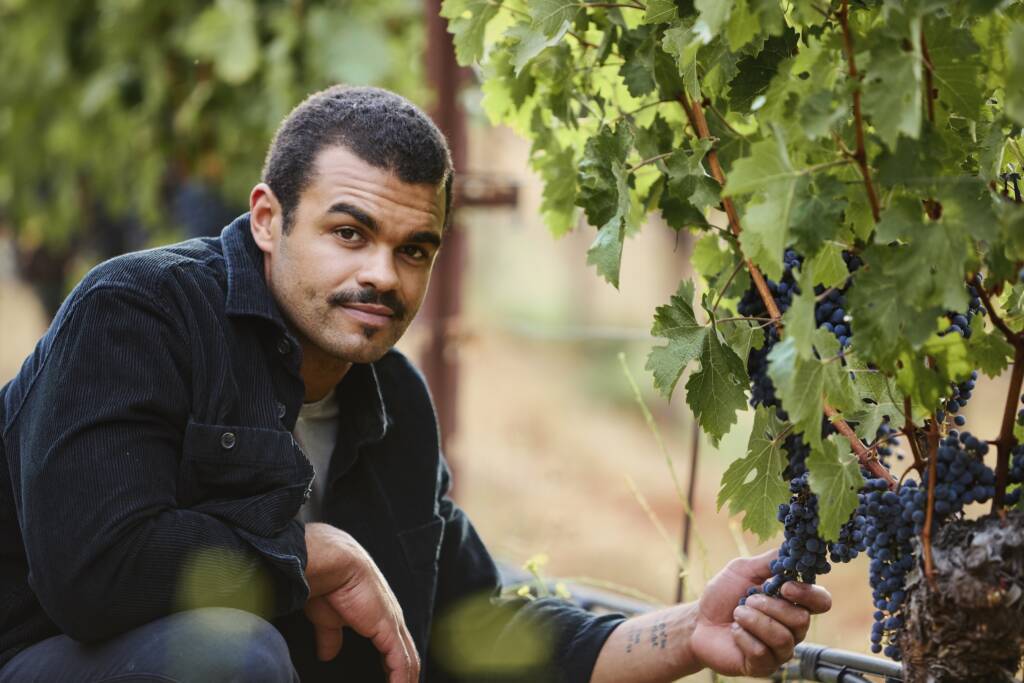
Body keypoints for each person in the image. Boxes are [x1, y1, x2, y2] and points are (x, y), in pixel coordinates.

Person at [0, 85, 830, 683]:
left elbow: (473, 623)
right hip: (38, 657)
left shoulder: (392, 399)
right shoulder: (138, 314)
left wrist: (691, 630)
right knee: (232, 652)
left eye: (414, 249)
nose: (383, 276)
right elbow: (91, 571)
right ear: (266, 219)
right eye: (349, 232)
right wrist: (311, 553)